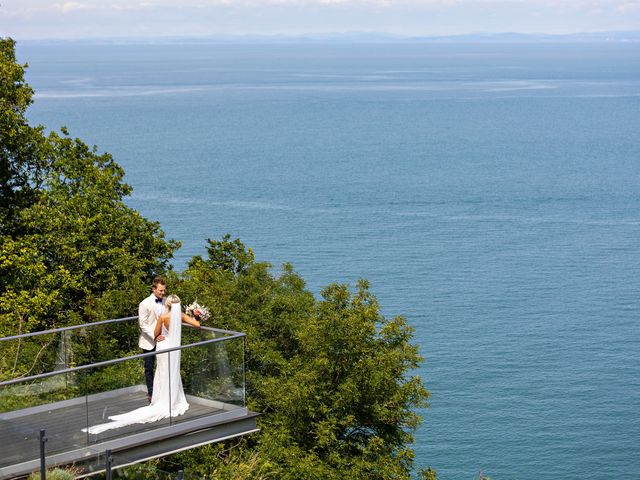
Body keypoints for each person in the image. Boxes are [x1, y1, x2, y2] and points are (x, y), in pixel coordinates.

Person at [83, 295, 200, 435]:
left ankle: (161, 399)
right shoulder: (181, 316)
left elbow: (156, 333)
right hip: (174, 347)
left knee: (162, 373)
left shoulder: (163, 317)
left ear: (167, 305)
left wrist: (157, 337)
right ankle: (172, 399)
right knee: (172, 372)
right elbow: (197, 325)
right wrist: (196, 316)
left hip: (163, 346)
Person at [139, 277, 166, 402]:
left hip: (164, 340)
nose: (163, 293)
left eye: (164, 290)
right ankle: (151, 393)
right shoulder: (144, 303)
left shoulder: (166, 302)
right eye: (160, 291)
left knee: (163, 366)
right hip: (149, 341)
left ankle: (162, 391)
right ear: (154, 289)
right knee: (149, 368)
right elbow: (143, 324)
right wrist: (155, 335)